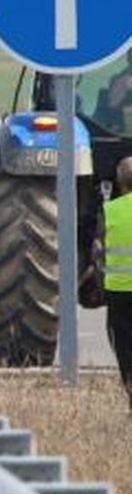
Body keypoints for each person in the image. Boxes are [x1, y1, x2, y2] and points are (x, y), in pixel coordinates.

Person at [99, 157, 132, 407]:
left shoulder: (110, 211)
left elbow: (97, 251)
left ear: (119, 184)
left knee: (123, 346)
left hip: (119, 291)